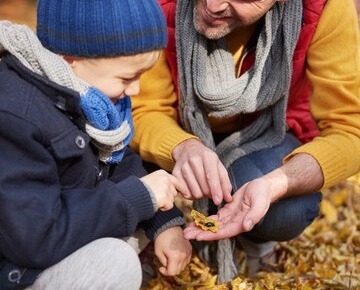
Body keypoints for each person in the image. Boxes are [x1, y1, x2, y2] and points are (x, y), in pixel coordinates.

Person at [130, 0, 360, 282]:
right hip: (174, 124)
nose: (213, 5)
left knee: (289, 209)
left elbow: (350, 128)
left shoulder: (326, 8)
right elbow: (143, 107)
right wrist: (182, 147)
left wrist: (276, 184)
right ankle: (148, 232)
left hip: (263, 133)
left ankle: (254, 239)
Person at [0, 0, 193, 289]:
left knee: (134, 227)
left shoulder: (84, 95)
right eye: (127, 78)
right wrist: (139, 197)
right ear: (69, 59)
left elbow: (116, 162)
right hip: (20, 266)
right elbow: (34, 238)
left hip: (58, 239)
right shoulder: (15, 117)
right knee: (115, 264)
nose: (137, 90)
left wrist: (163, 221)